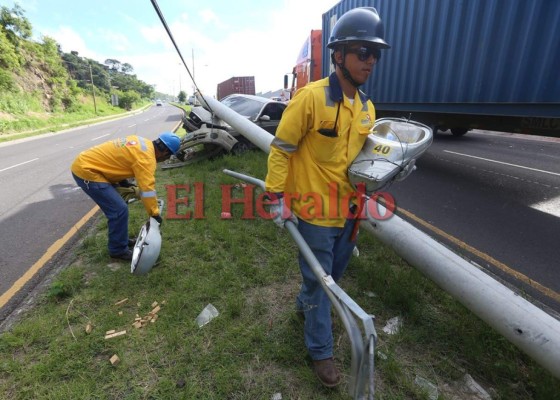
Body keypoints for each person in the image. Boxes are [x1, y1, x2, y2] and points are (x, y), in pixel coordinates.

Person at [264, 7, 390, 387]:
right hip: (314, 214)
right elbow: (281, 149)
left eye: (375, 54)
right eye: (362, 52)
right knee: (322, 284)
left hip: (348, 215)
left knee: (332, 276)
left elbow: (363, 161)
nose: (370, 61)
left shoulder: (367, 109)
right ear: (339, 56)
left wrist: (386, 172)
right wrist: (276, 197)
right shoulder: (310, 99)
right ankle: (321, 351)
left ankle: (305, 307)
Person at [71, 132, 180, 261]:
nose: (165, 160)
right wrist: (154, 214)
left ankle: (121, 239)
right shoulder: (146, 159)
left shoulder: (141, 141)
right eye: (168, 156)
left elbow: (120, 159)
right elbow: (147, 190)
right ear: (165, 152)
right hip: (88, 172)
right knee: (118, 210)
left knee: (120, 206)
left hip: (88, 162)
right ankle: (117, 250)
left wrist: (123, 182)